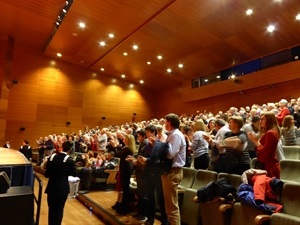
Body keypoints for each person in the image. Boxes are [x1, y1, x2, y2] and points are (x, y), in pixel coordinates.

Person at [161, 113, 186, 225]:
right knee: (170, 206)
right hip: (170, 171)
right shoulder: (172, 134)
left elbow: (170, 154)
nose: (164, 124)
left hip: (173, 172)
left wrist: (160, 146)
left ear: (169, 122)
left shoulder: (175, 135)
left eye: (165, 121)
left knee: (172, 207)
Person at [44, 141, 76, 225]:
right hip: (62, 189)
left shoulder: (51, 157)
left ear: (61, 147)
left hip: (51, 187)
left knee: (51, 210)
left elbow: (46, 174)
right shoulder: (70, 161)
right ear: (70, 149)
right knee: (59, 211)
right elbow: (73, 174)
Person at [248, 112, 280, 178]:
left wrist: (256, 141)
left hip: (269, 166)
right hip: (265, 164)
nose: (260, 121)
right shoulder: (268, 132)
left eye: (263, 119)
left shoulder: (270, 133)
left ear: (269, 120)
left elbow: (266, 153)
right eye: (260, 119)